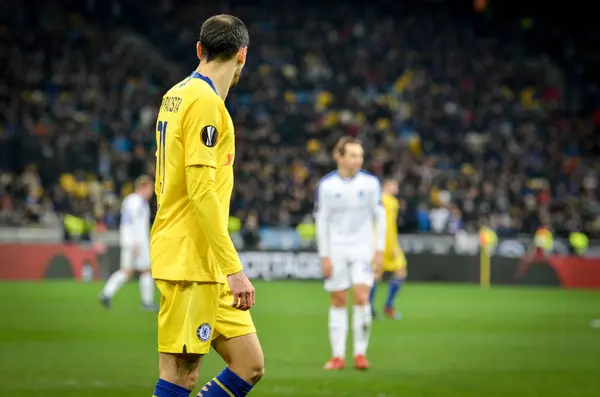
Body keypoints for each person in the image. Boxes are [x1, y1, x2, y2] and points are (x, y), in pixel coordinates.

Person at [150, 15, 264, 397]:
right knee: (181, 374)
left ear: (200, 49)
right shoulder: (204, 104)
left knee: (249, 365)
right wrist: (235, 269)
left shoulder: (175, 94)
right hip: (190, 260)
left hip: (204, 259)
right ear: (242, 56)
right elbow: (200, 192)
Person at [315, 136, 386, 371]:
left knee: (362, 296)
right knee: (338, 299)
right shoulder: (327, 186)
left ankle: (360, 353)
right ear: (340, 157)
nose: (358, 160)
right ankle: (337, 356)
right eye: (353, 155)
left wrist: (379, 251)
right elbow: (321, 221)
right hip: (336, 249)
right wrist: (324, 255)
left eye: (360, 156)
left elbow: (380, 217)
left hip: (362, 248)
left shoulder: (371, 183)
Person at [99, 175, 156, 311]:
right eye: (150, 188)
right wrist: (137, 242)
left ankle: (106, 293)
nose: (152, 192)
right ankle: (147, 302)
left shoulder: (130, 200)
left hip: (128, 240)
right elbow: (136, 223)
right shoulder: (138, 202)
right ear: (143, 187)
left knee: (127, 272)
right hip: (137, 241)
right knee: (147, 270)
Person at [369, 178, 407, 320]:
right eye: (395, 184)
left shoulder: (384, 200)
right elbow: (386, 226)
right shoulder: (387, 202)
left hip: (383, 242)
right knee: (378, 273)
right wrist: (391, 246)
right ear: (387, 185)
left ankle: (379, 307)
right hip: (383, 244)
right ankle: (379, 307)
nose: (397, 187)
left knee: (397, 271)